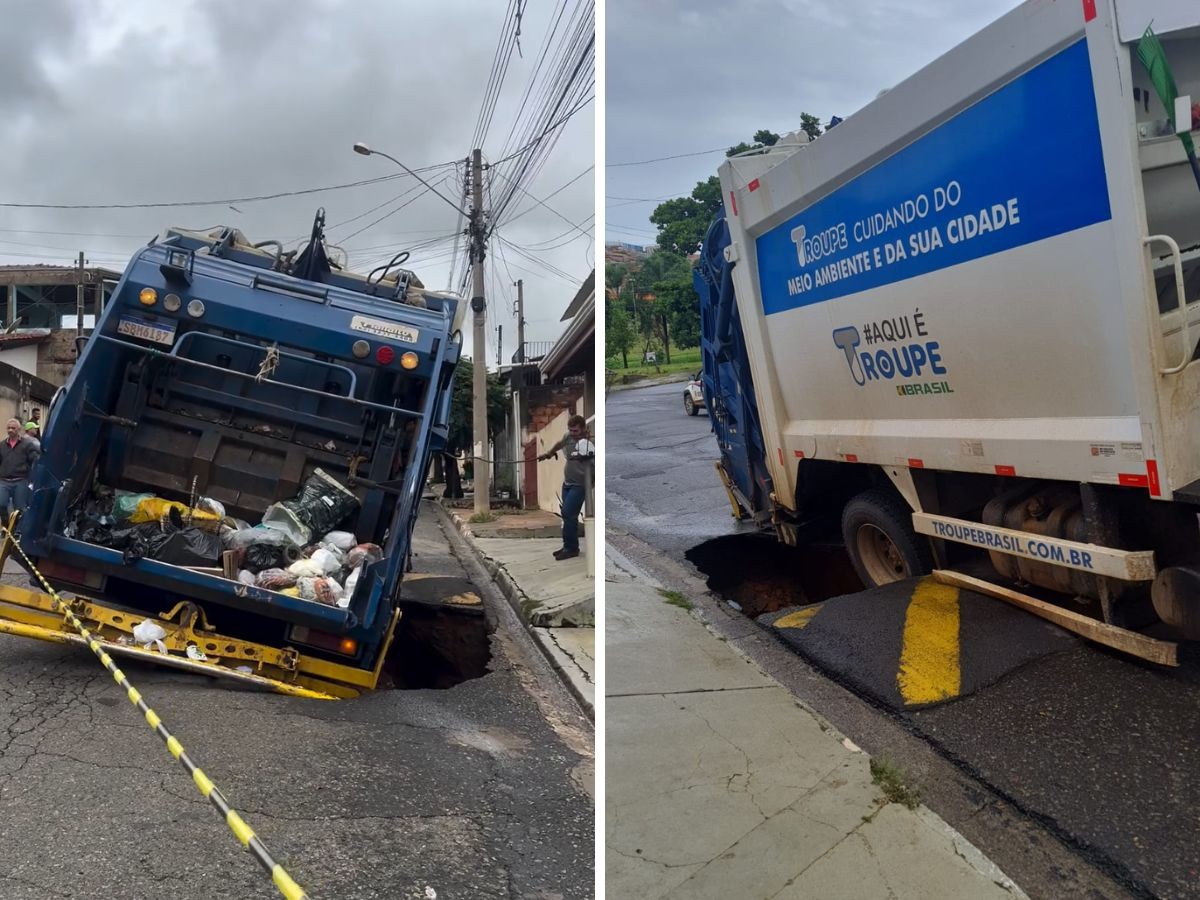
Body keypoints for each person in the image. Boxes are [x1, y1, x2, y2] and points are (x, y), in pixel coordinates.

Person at [537, 414, 594, 561]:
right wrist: (549, 453)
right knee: (568, 516)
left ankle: (571, 548)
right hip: (568, 483)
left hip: (580, 484)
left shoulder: (590, 442)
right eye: (571, 430)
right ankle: (568, 546)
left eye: (576, 431)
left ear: (583, 429)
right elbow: (559, 443)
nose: (573, 433)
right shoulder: (568, 437)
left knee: (568, 513)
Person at [0, 418, 38, 519]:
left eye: (13, 428)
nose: (10, 430)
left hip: (21, 480)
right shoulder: (2, 445)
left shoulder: (27, 444)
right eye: (8, 428)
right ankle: (6, 525)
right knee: (1, 505)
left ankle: (17, 528)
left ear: (19, 429)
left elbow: (34, 459)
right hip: (4, 481)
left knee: (20, 509)